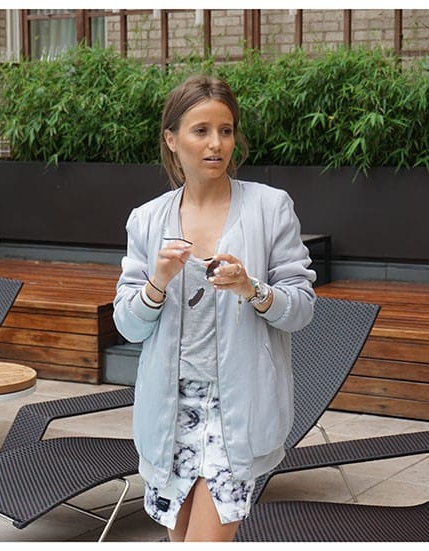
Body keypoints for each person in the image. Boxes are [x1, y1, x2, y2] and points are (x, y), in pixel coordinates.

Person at [112, 74, 317, 542]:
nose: (216, 144)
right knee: (181, 537)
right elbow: (128, 326)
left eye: (225, 130)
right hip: (169, 413)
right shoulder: (147, 220)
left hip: (237, 411)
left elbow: (301, 309)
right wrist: (157, 282)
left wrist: (251, 288)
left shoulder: (269, 208)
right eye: (201, 131)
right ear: (172, 139)